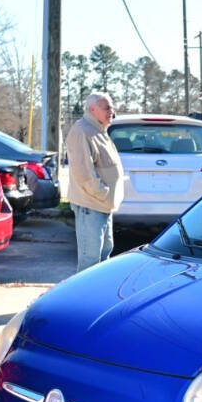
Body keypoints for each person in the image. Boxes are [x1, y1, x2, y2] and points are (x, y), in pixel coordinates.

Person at [66, 92, 123, 272]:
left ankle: (97, 298)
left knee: (104, 254)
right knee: (90, 262)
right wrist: (103, 193)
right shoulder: (81, 130)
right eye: (106, 108)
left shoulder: (100, 131)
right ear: (92, 109)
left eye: (112, 107)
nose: (111, 111)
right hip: (91, 206)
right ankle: (82, 300)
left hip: (103, 206)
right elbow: (84, 173)